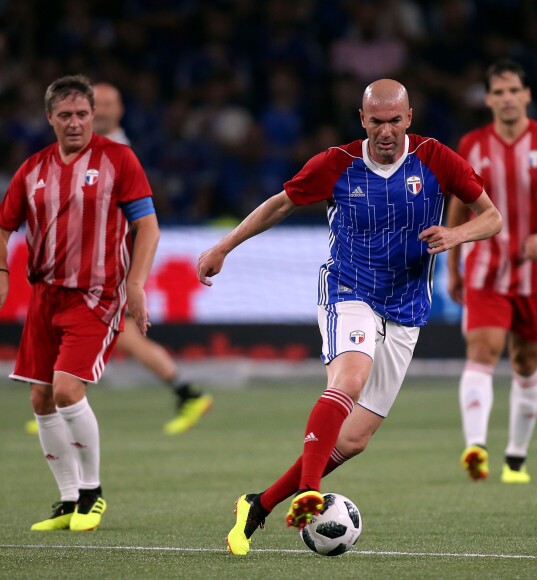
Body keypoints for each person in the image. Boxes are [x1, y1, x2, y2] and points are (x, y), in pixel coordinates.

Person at [197, 78, 502, 556]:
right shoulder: (336, 164)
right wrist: (223, 247)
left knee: (356, 438)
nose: (386, 132)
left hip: (406, 306)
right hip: (348, 290)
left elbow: (492, 217)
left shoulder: (437, 158)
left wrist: (457, 235)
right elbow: (280, 204)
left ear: (409, 118)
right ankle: (311, 491)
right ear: (362, 120)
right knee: (351, 376)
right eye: (376, 121)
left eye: (395, 121)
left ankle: (258, 504)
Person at [0, 75, 160, 531]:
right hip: (45, 296)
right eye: (65, 115)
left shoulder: (119, 159)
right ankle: (68, 500)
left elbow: (147, 226)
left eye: (82, 115)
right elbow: (3, 225)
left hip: (97, 293)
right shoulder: (32, 169)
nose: (75, 123)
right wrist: (3, 272)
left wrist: (136, 283)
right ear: (50, 118)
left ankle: (92, 494)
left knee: (68, 389)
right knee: (41, 396)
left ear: (93, 116)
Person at [447, 59, 537, 484]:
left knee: (526, 361)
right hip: (484, 267)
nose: (506, 99)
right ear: (487, 99)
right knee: (482, 351)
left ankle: (516, 459)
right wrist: (451, 263)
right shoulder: (472, 144)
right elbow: (457, 206)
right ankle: (476, 446)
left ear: (527, 95)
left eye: (513, 91)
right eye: (498, 92)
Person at [92, 82, 214, 434]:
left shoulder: (116, 153)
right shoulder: (96, 149)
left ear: (119, 110)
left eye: (106, 104)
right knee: (109, 334)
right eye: (94, 104)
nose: (99, 110)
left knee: (119, 335)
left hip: (109, 262)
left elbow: (136, 220)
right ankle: (56, 403)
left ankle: (57, 405)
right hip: (102, 262)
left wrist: (129, 274)